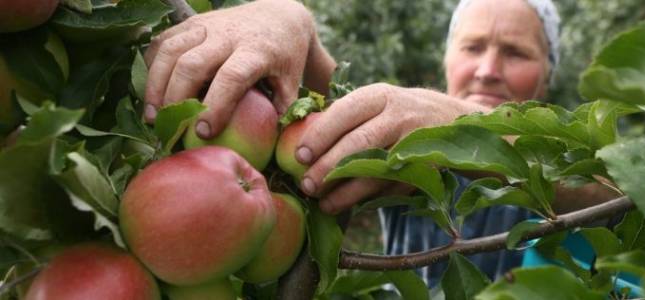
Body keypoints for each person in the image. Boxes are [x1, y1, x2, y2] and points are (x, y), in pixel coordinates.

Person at [144, 0, 619, 286]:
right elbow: (334, 105)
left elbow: (626, 190)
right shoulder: (403, 147)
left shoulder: (579, 166)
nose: (487, 68)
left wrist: (458, 127)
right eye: (473, 47)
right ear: (447, 60)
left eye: (515, 52)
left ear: (549, 75)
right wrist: (290, 18)